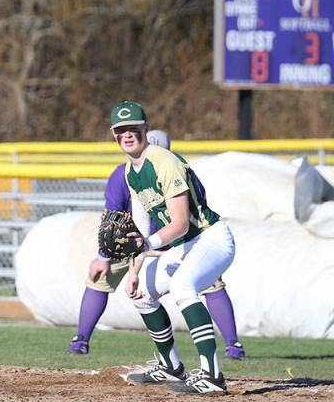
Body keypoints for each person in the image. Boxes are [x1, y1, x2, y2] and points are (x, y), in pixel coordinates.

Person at [67, 128, 245, 360]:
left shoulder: (172, 167)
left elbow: (192, 212)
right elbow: (114, 216)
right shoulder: (126, 173)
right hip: (139, 242)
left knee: (205, 284)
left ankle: (231, 346)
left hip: (179, 240)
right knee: (103, 279)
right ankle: (82, 339)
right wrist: (104, 256)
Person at [106, 101, 236, 394]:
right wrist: (135, 270)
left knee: (183, 287)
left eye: (133, 129)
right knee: (142, 294)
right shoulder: (130, 172)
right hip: (184, 245)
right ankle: (170, 367)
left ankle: (212, 376)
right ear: (114, 135)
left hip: (210, 238)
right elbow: (140, 227)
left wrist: (147, 244)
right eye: (120, 130)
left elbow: (179, 224)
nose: (127, 134)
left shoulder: (164, 161)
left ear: (145, 129)